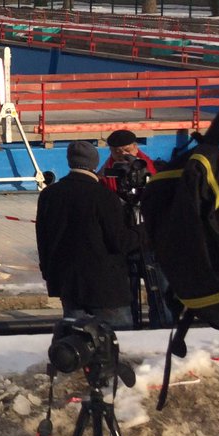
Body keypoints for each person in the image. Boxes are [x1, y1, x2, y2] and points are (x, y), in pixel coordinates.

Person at [36, 140, 140, 328]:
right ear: (94, 162)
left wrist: (48, 272)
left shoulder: (49, 195)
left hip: (68, 284)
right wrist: (143, 231)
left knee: (76, 338)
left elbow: (43, 239)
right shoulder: (103, 195)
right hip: (106, 286)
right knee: (119, 337)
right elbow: (119, 241)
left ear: (70, 161)